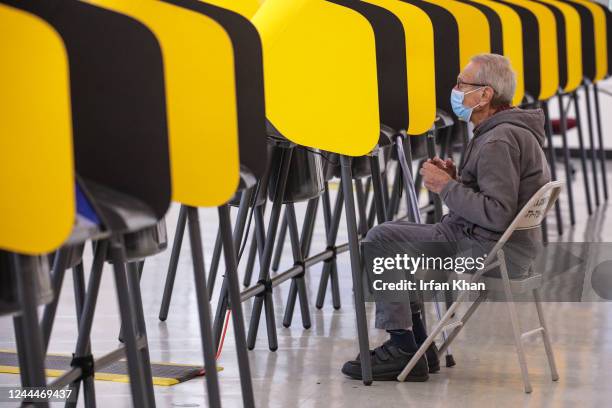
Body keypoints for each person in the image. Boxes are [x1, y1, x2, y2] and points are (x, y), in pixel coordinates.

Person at [341, 53, 551, 381]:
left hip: (490, 249)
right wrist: (459, 179)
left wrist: (447, 188)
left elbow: (497, 213)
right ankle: (417, 348)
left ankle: (402, 347)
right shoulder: (508, 131)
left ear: (485, 95)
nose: (454, 90)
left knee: (381, 239)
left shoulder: (498, 139)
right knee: (394, 235)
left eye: (462, 84)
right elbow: (498, 196)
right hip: (506, 246)